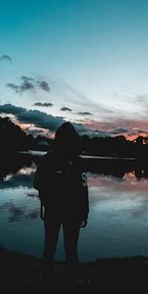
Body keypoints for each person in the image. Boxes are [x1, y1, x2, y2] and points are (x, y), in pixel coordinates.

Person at [33, 122, 89, 285]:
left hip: (70, 212)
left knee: (66, 247)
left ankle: (67, 277)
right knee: (55, 246)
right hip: (55, 210)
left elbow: (83, 189)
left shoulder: (78, 162)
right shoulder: (49, 160)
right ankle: (48, 276)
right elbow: (38, 183)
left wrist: (84, 211)